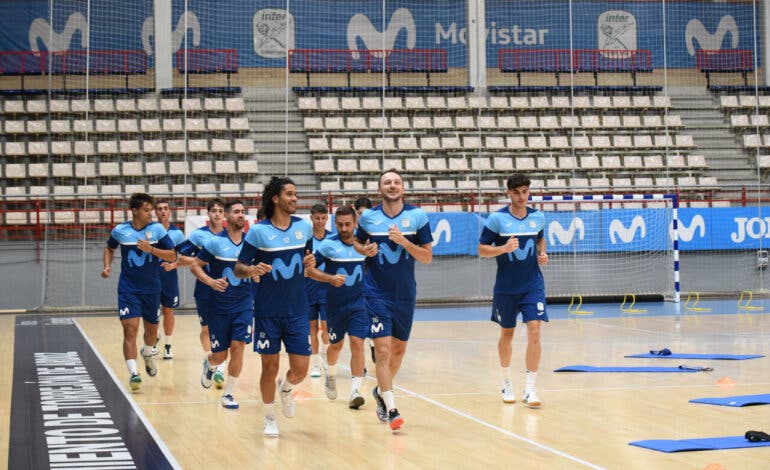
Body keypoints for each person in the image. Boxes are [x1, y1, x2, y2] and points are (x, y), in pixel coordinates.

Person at [235, 176, 315, 438]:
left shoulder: (304, 228)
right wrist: (251, 269)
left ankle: (287, 389)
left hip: (298, 310)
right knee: (269, 367)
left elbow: (307, 261)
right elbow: (238, 268)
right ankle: (269, 417)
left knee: (301, 368)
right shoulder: (258, 231)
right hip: (268, 312)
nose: (295, 198)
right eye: (290, 194)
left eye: (296, 194)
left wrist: (310, 264)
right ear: (275, 199)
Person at [354, 169, 433, 431]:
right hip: (375, 293)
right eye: (387, 182)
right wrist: (364, 249)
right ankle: (392, 408)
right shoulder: (368, 217)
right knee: (383, 351)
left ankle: (380, 391)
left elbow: (426, 257)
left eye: (396, 182)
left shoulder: (417, 216)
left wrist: (404, 242)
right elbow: (356, 244)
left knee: (398, 350)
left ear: (403, 188)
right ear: (380, 189)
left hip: (405, 294)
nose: (392, 185)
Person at [477, 173, 549, 409]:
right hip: (506, 287)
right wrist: (504, 248)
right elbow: (482, 250)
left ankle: (530, 388)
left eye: (525, 191)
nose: (521, 196)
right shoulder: (496, 220)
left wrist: (542, 253)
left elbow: (540, 240)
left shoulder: (538, 217)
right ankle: (506, 381)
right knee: (507, 333)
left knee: (535, 332)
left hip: (532, 285)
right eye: (516, 192)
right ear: (508, 193)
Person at [101, 193, 176, 390]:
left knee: (151, 332)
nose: (151, 213)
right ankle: (134, 373)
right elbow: (109, 249)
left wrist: (152, 250)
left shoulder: (157, 230)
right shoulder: (120, 230)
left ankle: (148, 352)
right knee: (130, 328)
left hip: (152, 289)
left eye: (151, 210)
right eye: (147, 210)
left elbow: (172, 254)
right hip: (128, 288)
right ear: (134, 211)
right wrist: (107, 266)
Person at [190, 200, 254, 409]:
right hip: (218, 307)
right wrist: (210, 281)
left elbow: (259, 268)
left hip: (244, 304)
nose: (240, 215)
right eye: (236, 212)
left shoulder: (251, 244)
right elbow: (195, 265)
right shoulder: (215, 242)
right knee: (220, 355)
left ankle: (228, 393)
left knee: (238, 347)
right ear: (226, 217)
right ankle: (209, 364)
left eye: (243, 212)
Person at [306, 205, 371, 409]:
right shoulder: (328, 245)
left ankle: (355, 391)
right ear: (335, 224)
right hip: (335, 305)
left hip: (359, 304)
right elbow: (309, 271)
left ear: (355, 223)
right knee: (336, 345)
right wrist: (330, 278)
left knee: (357, 343)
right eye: (340, 224)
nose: (344, 228)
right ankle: (331, 375)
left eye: (348, 224)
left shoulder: (365, 244)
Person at [177, 198, 227, 388]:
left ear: (224, 214)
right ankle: (209, 359)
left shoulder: (230, 235)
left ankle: (220, 367)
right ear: (208, 214)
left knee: (225, 329)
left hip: (226, 290)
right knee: (206, 329)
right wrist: (202, 261)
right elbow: (181, 257)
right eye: (213, 210)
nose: (216, 214)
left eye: (220, 211)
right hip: (205, 289)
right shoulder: (199, 236)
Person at [154, 199, 186, 359]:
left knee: (168, 311)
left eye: (165, 208)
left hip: (169, 279)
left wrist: (174, 265)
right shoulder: (149, 231)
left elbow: (185, 258)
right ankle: (153, 337)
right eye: (159, 209)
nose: (162, 211)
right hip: (151, 278)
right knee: (152, 311)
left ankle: (168, 345)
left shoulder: (177, 234)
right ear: (155, 212)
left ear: (170, 211)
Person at [306, 203, 332, 378]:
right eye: (317, 218)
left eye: (323, 218)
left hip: (328, 290)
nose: (320, 221)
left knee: (326, 327)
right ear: (311, 218)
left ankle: (326, 355)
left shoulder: (333, 238)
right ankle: (315, 364)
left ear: (327, 218)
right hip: (307, 289)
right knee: (312, 328)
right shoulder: (305, 239)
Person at [353, 196, 376, 364]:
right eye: (359, 213)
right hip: (352, 280)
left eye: (365, 213)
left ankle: (374, 343)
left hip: (369, 279)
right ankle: (359, 364)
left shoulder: (373, 231)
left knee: (370, 315)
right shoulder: (347, 230)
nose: (362, 216)